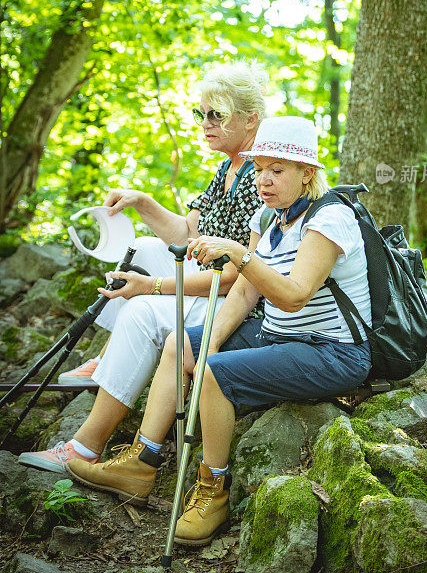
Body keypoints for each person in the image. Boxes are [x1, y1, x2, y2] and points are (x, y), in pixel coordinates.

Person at [65, 116, 372, 547]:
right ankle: (140, 461)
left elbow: (294, 296)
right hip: (275, 334)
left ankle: (214, 490)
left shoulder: (330, 217)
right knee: (180, 346)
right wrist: (205, 340)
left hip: (331, 351)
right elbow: (244, 295)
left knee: (213, 373)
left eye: (277, 170)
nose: (264, 179)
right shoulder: (271, 216)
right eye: (259, 167)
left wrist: (240, 256)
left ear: (308, 174)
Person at [18, 62, 268, 473]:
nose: (204, 124)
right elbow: (187, 234)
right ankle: (111, 355)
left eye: (216, 115)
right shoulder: (227, 167)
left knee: (141, 309)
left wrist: (152, 287)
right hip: (211, 283)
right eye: (200, 114)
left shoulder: (259, 176)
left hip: (235, 303)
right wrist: (141, 201)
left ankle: (85, 447)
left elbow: (237, 276)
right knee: (148, 244)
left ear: (250, 118)